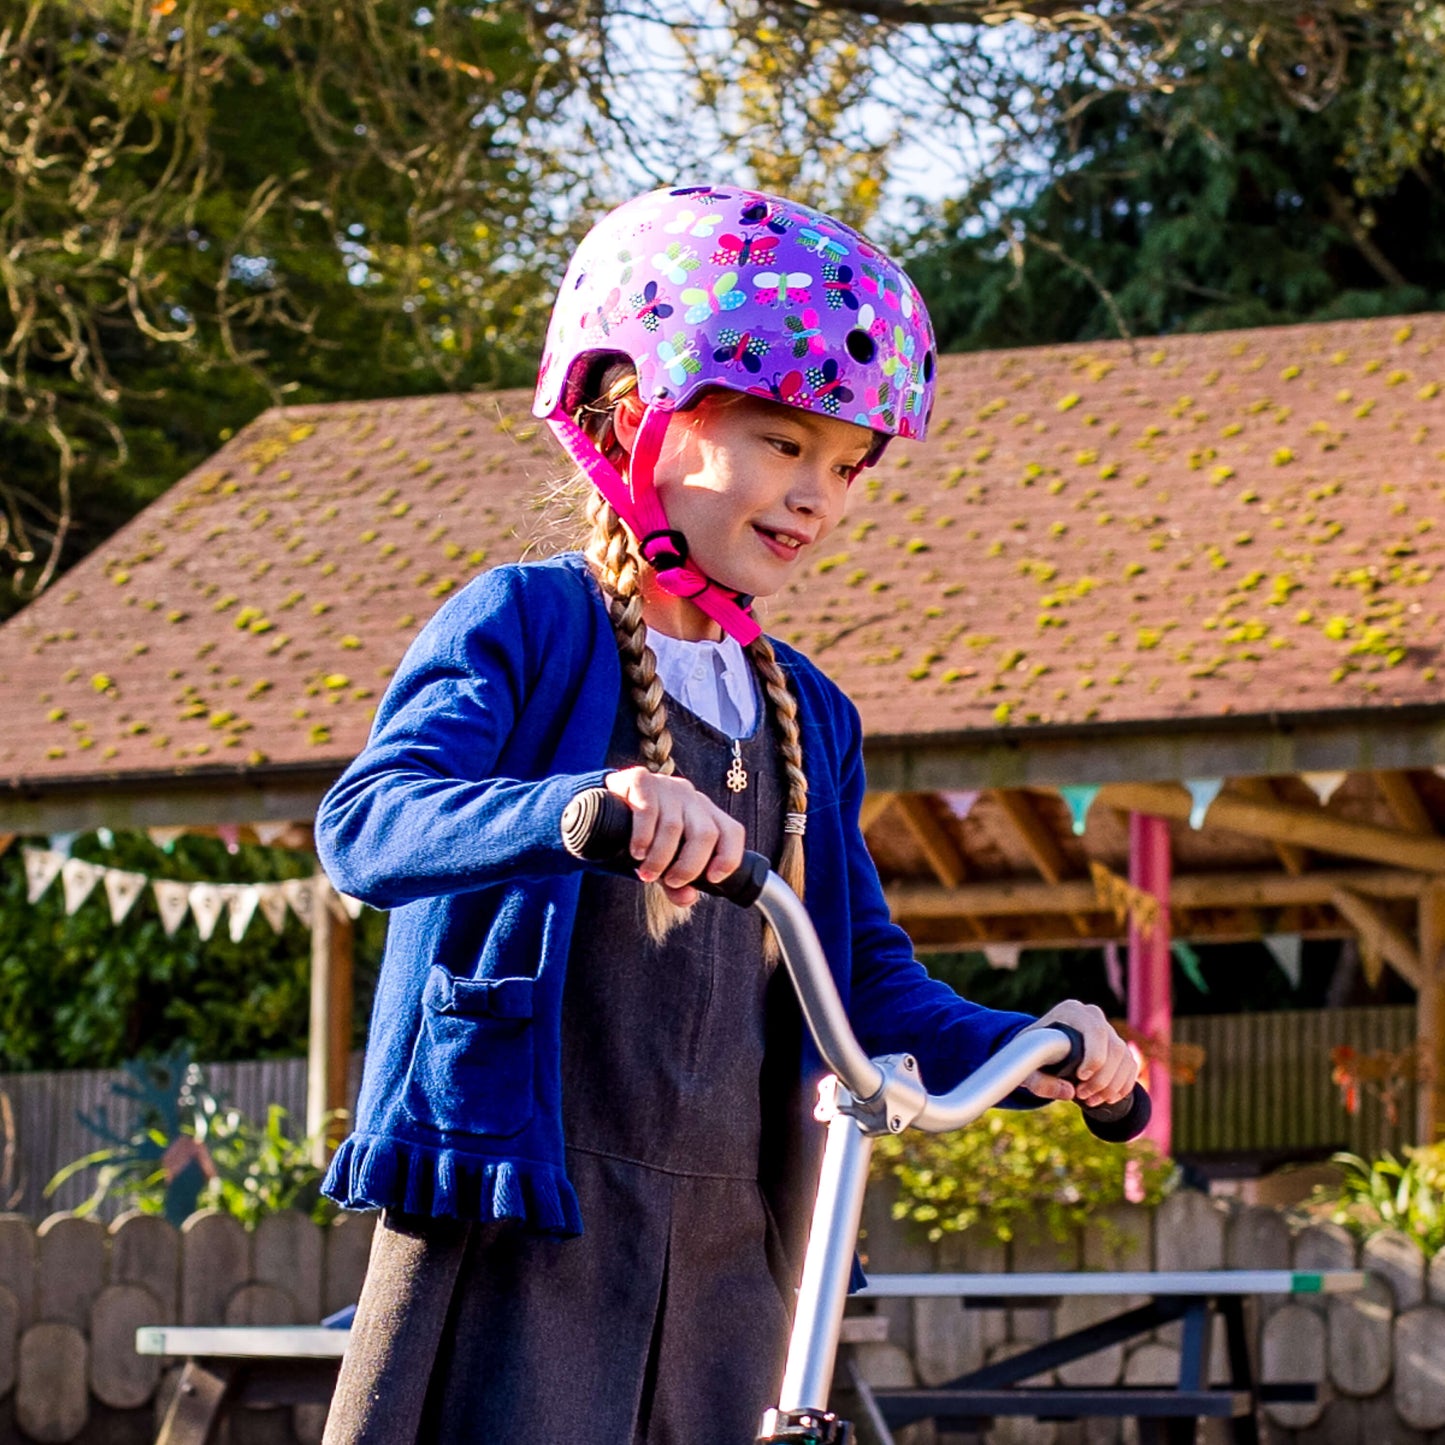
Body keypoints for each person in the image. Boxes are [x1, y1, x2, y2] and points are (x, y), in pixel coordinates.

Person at [316, 184, 1138, 1445]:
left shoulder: (808, 712)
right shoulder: (528, 624)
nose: (818, 495)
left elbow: (858, 982)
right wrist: (583, 803)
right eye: (781, 442)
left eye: (847, 465)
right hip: (528, 1220)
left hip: (727, 1259)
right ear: (642, 415)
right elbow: (369, 823)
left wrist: (1040, 1048)